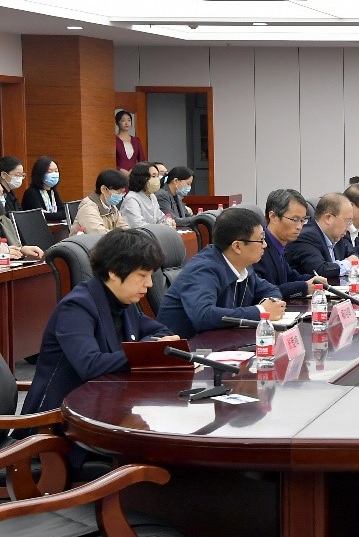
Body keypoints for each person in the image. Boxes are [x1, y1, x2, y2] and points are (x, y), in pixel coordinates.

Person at [20, 228, 179, 422]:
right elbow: (90, 365)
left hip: (104, 407)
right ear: (114, 272)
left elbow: (162, 331)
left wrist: (149, 348)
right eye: (142, 275)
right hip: (58, 419)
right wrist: (147, 352)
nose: (149, 284)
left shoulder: (123, 301)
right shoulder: (77, 307)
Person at [157, 206, 285, 338]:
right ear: (237, 246)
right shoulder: (203, 270)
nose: (265, 245)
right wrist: (261, 311)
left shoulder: (242, 265)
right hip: (185, 346)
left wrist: (271, 303)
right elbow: (204, 315)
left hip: (222, 342)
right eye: (260, 240)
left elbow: (270, 290)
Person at [254, 188, 327, 299]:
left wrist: (314, 279)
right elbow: (262, 292)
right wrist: (304, 287)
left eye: (302, 220)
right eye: (294, 219)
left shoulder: (278, 244)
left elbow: (292, 277)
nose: (299, 227)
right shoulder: (258, 247)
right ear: (273, 216)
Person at [285, 193, 359, 279]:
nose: (349, 227)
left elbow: (353, 254)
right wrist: (349, 264)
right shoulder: (306, 236)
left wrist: (353, 259)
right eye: (347, 221)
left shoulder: (336, 235)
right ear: (328, 218)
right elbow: (319, 270)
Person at [73, 168, 130, 234]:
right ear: (103, 189)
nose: (121, 196)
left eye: (123, 192)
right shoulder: (87, 208)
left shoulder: (111, 207)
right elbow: (98, 234)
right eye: (118, 193)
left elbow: (125, 227)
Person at [119, 162, 167, 228]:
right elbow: (137, 225)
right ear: (141, 178)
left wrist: (168, 222)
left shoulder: (152, 196)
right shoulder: (132, 199)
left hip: (154, 232)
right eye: (153, 176)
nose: (157, 179)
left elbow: (161, 218)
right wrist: (160, 227)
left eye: (157, 176)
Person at [21, 155, 64, 220]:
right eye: (49, 172)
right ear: (39, 173)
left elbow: (64, 213)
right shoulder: (31, 193)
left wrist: (50, 214)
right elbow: (41, 216)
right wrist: (54, 215)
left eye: (56, 171)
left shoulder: (53, 192)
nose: (54, 174)